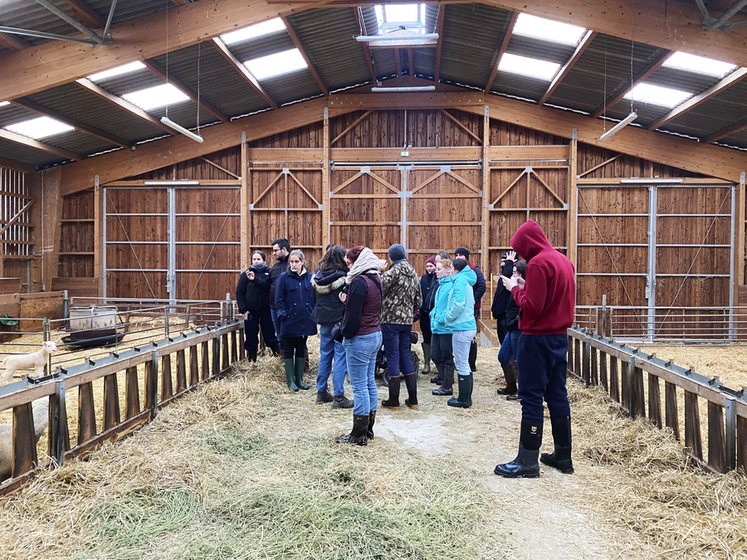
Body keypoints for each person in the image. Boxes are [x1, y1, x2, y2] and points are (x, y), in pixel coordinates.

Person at [494, 220, 576, 478]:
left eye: (520, 249)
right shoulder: (564, 261)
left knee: (531, 397)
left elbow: (534, 306)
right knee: (557, 395)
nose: (521, 255)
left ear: (528, 244)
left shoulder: (539, 263)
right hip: (558, 338)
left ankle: (527, 460)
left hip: (535, 339)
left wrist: (515, 289)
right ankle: (563, 455)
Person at [336, 246, 383, 446]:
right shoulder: (376, 279)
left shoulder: (359, 282)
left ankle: (358, 435)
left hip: (360, 337)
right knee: (369, 382)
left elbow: (354, 317)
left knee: (359, 386)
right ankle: (368, 429)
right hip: (374, 334)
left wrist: (342, 333)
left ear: (358, 261)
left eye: (349, 263)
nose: (348, 266)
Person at [380, 244, 423, 411]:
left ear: (391, 258)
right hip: (406, 322)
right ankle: (413, 400)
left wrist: (378, 270)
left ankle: (393, 401)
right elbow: (419, 301)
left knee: (392, 357)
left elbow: (379, 287)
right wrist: (407, 311)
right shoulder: (413, 272)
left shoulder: (391, 272)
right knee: (405, 356)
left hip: (390, 321)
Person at [311, 245, 353, 408]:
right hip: (339, 322)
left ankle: (321, 392)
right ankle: (339, 396)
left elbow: (313, 300)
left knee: (325, 355)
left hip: (323, 320)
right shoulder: (345, 277)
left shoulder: (317, 276)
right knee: (340, 356)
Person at [275, 249, 317, 392]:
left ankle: (300, 380)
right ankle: (290, 381)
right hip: (289, 319)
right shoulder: (284, 278)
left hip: (305, 320)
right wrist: (283, 315)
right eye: (291, 262)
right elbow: (278, 299)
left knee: (301, 347)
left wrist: (312, 312)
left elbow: (314, 298)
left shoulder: (310, 278)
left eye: (296, 262)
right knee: (288, 348)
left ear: (302, 262)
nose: (294, 264)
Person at [236, 250, 280, 361]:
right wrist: (243, 310)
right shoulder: (245, 275)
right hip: (251, 310)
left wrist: (255, 280)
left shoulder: (268, 273)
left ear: (263, 260)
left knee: (269, 334)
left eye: (258, 259)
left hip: (266, 309)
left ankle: (278, 357)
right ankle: (252, 361)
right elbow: (239, 292)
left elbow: (268, 287)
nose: (256, 261)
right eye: (254, 259)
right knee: (251, 336)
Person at [444, 258, 476, 408]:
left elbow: (458, 304)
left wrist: (448, 317)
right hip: (467, 325)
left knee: (462, 363)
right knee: (464, 363)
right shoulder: (465, 280)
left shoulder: (459, 281)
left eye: (450, 267)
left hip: (462, 327)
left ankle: (463, 399)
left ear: (456, 269)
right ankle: (466, 397)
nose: (449, 270)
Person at [496, 259, 526, 400]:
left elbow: (524, 310)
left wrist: (514, 322)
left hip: (518, 328)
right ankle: (511, 386)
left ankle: (523, 390)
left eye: (515, 273)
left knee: (520, 360)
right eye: (513, 272)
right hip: (511, 328)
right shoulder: (513, 288)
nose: (512, 276)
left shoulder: (523, 289)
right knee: (503, 356)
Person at [453, 248, 486, 374]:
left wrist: (473, 300)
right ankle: (462, 361)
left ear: (466, 257)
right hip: (461, 306)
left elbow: (482, 285)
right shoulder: (455, 271)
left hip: (472, 307)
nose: (458, 257)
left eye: (461, 255)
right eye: (456, 255)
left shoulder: (473, 269)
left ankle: (471, 364)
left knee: (470, 337)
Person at [430, 258, 456, 396]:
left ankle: (447, 386)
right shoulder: (441, 285)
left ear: (447, 270)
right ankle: (446, 379)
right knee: (435, 355)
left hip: (446, 327)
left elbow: (452, 306)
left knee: (446, 356)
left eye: (439, 269)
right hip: (436, 325)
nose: (436, 272)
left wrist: (442, 317)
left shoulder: (451, 285)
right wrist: (433, 313)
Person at [269, 238, 291, 349]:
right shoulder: (275, 267)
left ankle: (301, 363)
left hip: (290, 307)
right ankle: (284, 363)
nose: (274, 253)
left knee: (294, 336)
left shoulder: (292, 265)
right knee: (280, 336)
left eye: (275, 250)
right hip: (274, 306)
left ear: (283, 249)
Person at [491, 251, 517, 345]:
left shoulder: (513, 277)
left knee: (509, 348)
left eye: (505, 262)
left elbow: (507, 273)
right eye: (502, 261)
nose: (502, 264)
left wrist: (510, 262)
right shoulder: (502, 278)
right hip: (500, 316)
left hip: (507, 317)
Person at [419, 257, 438, 376]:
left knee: (435, 337)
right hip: (424, 312)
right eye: (427, 266)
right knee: (426, 337)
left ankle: (437, 362)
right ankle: (426, 363)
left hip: (435, 313)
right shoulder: (423, 279)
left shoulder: (437, 279)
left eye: (431, 266)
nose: (429, 268)